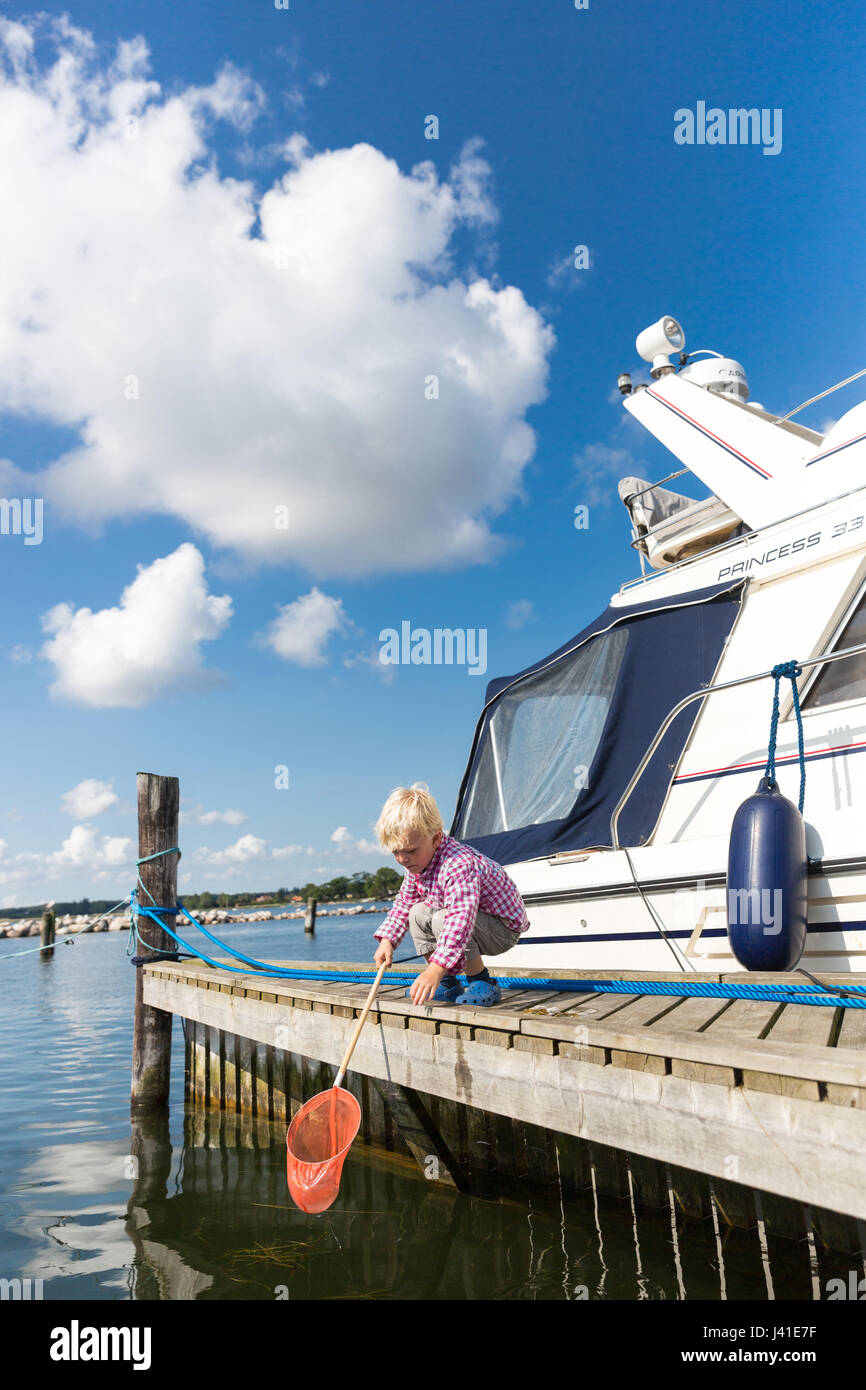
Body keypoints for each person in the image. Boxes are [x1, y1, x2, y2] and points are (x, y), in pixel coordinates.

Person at [372, 784, 530, 1007]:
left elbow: (459, 921)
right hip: (468, 924)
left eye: (410, 851)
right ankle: (447, 983)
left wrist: (434, 968)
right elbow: (404, 904)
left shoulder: (459, 864)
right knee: (416, 912)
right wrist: (387, 941)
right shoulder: (417, 866)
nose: (402, 859)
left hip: (501, 930)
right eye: (395, 852)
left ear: (436, 839)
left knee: (443, 918)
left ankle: (481, 981)